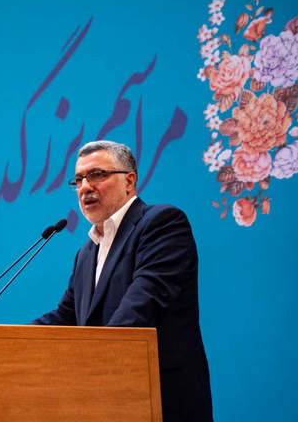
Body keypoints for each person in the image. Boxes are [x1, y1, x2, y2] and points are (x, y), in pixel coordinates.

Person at [33, 140, 213, 422]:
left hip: (161, 401)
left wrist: (91, 364)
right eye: (78, 180)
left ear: (129, 181)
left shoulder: (162, 223)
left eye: (97, 175)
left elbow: (142, 305)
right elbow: (66, 317)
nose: (85, 187)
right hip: (106, 403)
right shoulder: (86, 254)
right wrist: (5, 342)